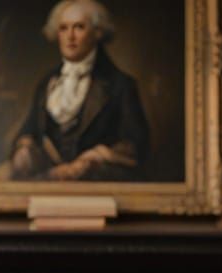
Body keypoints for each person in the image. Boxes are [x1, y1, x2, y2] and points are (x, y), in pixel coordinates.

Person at [10, 0, 150, 181]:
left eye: (79, 27)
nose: (70, 36)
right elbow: (29, 131)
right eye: (63, 28)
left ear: (97, 33)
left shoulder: (121, 85)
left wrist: (94, 159)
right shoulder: (47, 84)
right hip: (49, 185)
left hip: (98, 187)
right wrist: (24, 150)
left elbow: (136, 144)